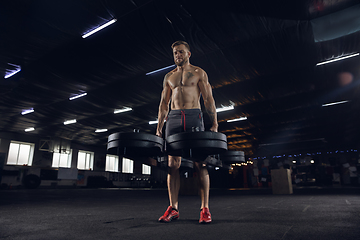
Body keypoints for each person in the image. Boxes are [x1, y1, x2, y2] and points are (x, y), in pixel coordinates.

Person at [156, 40, 218, 223]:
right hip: (173, 119)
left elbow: (208, 100)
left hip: (193, 116)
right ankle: (173, 208)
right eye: (175, 53)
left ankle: (205, 209)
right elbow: (163, 104)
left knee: (201, 164)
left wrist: (214, 123)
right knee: (172, 165)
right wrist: (159, 127)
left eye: (181, 52)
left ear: (189, 54)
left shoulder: (199, 73)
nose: (178, 55)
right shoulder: (168, 77)